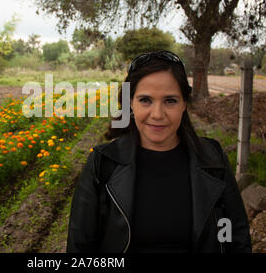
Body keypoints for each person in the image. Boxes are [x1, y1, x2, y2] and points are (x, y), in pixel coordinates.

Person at [66, 51, 251, 253]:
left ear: (184, 104)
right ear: (130, 103)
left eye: (170, 101)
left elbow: (235, 236)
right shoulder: (103, 163)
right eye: (145, 100)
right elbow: (80, 245)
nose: (157, 114)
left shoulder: (213, 160)